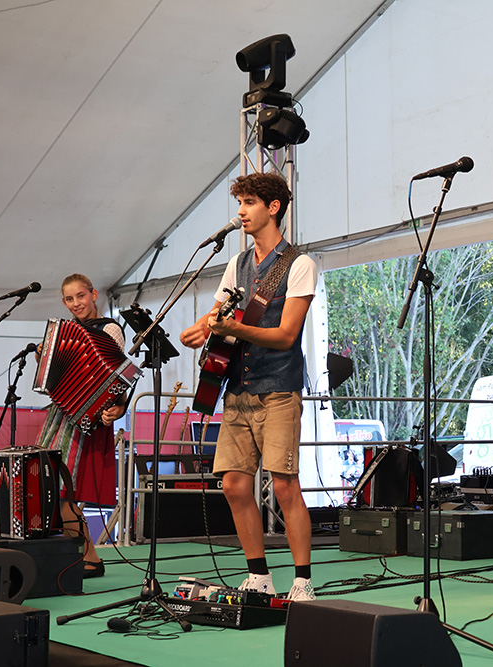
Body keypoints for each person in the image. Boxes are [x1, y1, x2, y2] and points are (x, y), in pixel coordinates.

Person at [179, 172, 317, 602]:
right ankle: (258, 575)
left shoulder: (299, 263)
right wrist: (200, 329)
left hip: (279, 387)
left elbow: (287, 334)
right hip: (236, 388)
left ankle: (302, 580)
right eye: (240, 203)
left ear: (272, 208)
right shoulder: (237, 264)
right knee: (235, 485)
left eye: (249, 202)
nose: (240, 211)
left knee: (283, 484)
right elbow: (219, 313)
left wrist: (233, 326)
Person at [36, 274, 126, 578]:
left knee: (63, 490)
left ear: (94, 294)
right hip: (61, 413)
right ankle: (79, 554)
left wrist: (119, 406)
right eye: (69, 299)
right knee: (51, 486)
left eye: (81, 296)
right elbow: (54, 380)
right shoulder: (63, 332)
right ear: (63, 302)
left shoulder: (110, 329)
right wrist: (44, 359)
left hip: (87, 417)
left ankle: (89, 556)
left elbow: (114, 374)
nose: (76, 304)